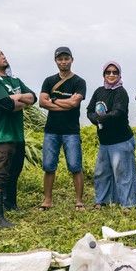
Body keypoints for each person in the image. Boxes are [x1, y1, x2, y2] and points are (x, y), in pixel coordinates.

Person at [0, 47, 36, 227]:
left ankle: (10, 204)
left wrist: (15, 98)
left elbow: (33, 98)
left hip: (17, 135)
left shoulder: (15, 80)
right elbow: (5, 104)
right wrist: (17, 100)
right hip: (0, 136)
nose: (3, 56)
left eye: (2, 53)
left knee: (14, 171)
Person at [86, 61, 136, 214]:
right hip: (105, 141)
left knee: (123, 173)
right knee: (101, 173)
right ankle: (102, 201)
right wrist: (95, 118)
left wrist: (99, 119)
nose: (111, 75)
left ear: (119, 74)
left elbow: (118, 113)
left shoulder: (120, 92)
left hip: (121, 140)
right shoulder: (98, 91)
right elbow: (89, 110)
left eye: (114, 72)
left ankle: (128, 204)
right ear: (104, 74)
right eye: (108, 72)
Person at [38, 47, 87, 211]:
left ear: (72, 59)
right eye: (60, 59)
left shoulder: (79, 82)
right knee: (49, 166)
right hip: (51, 131)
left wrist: (54, 101)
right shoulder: (48, 80)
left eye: (66, 58)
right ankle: (47, 200)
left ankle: (79, 201)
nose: (63, 62)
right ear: (56, 61)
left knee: (75, 166)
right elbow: (42, 102)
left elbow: (75, 104)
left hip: (71, 131)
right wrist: (65, 104)